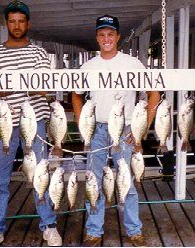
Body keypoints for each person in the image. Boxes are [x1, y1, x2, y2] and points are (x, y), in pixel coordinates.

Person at [0, 1, 62, 247]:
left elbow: (43, 89)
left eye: (21, 21)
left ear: (28, 23)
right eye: (12, 21)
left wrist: (9, 88)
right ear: (6, 24)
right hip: (2, 123)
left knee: (40, 174)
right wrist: (18, 88)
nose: (16, 25)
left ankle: (49, 225)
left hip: (36, 122)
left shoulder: (38, 53)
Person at [72, 15, 160, 247]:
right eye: (102, 34)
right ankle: (93, 230)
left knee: (126, 181)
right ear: (97, 38)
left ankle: (133, 230)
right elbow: (76, 95)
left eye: (111, 34)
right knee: (94, 180)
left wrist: (145, 125)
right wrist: (83, 125)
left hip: (126, 128)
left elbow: (154, 92)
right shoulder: (89, 66)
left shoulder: (132, 64)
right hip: (97, 128)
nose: (106, 38)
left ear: (118, 37)